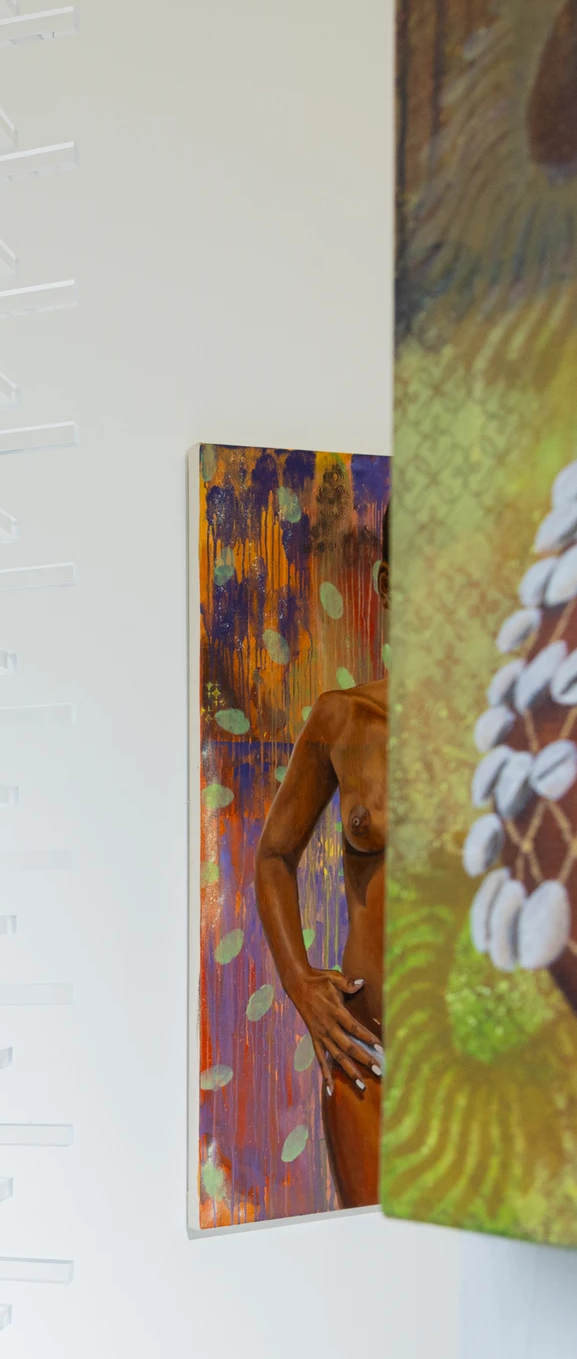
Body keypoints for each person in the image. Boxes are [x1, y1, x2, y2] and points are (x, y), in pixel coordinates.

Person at [253, 510, 389, 1206]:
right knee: (369, 1254)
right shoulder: (343, 718)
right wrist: (299, 982)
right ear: (388, 585)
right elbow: (273, 856)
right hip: (366, 1050)